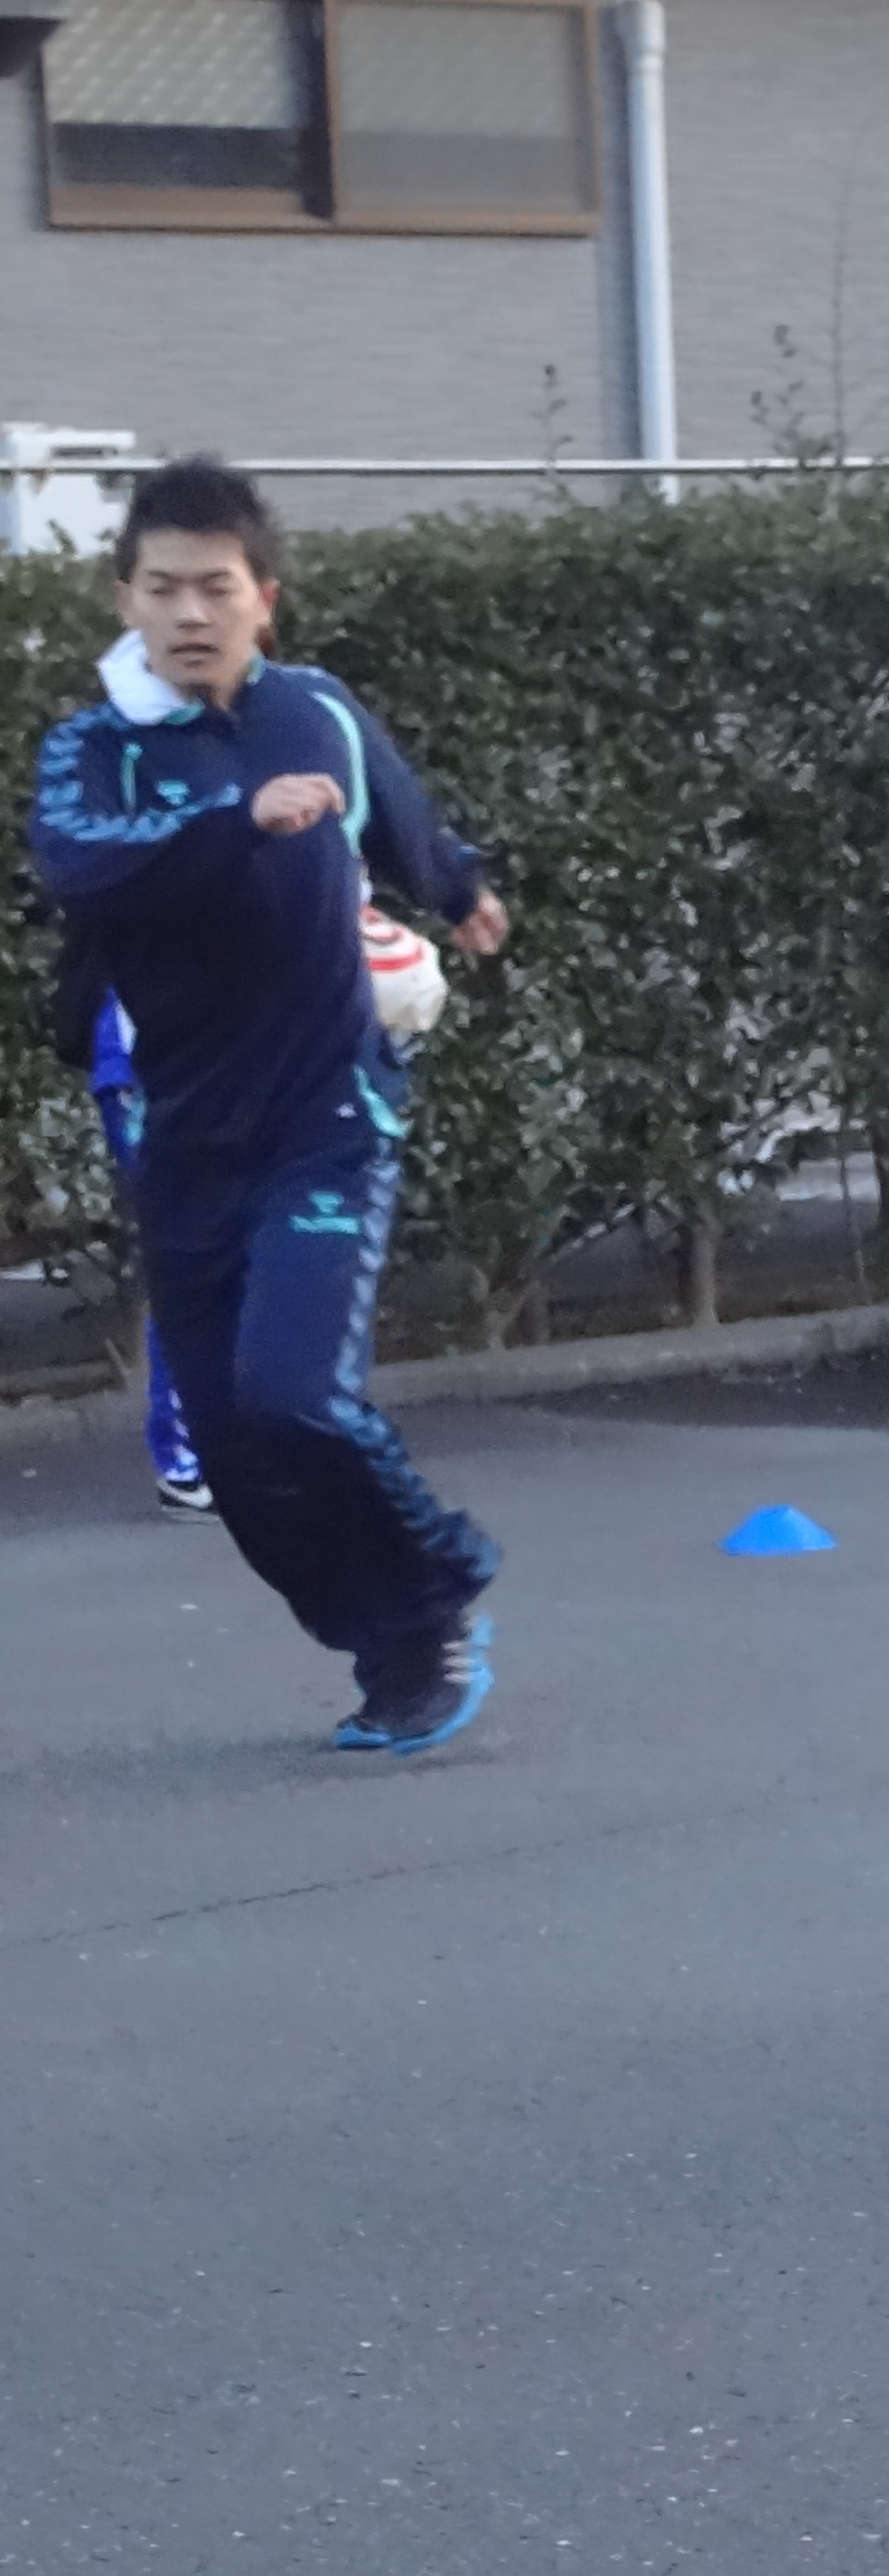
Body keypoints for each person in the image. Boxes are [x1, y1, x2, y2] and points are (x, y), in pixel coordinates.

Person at [27, 460, 509, 1752]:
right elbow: (87, 869)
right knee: (235, 1454)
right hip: (187, 1134)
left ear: (264, 600)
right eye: (163, 588)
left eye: (216, 587)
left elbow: (395, 807)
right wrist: (239, 821)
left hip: (328, 1116)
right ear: (125, 599)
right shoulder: (94, 752)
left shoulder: (318, 710)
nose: (191, 612)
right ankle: (385, 1644)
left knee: (296, 1397)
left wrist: (457, 887)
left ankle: (437, 1599)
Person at [71, 986, 213, 1516]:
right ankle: (184, 1463)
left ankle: (205, 1455)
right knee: (191, 1265)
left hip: (179, 1071)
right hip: (152, 1074)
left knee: (218, 1261)